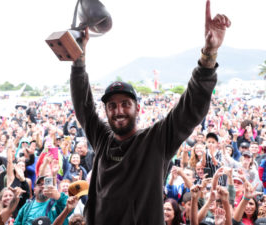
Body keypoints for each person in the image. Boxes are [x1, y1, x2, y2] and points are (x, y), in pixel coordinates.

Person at [69, 0, 231, 224]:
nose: (118, 110)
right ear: (105, 111)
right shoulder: (102, 139)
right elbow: (83, 107)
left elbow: (191, 108)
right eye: (112, 106)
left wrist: (209, 54)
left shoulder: (156, 140)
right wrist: (79, 59)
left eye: (126, 103)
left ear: (138, 108)